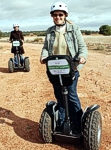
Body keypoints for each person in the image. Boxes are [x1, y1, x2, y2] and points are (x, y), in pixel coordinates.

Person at [40, 1, 88, 134]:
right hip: (55, 70)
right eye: (55, 15)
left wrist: (82, 57)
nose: (58, 17)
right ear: (52, 16)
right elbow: (45, 48)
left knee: (71, 96)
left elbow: (82, 47)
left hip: (71, 68)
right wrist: (43, 56)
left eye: (60, 14)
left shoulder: (74, 29)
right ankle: (61, 123)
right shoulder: (50, 31)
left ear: (65, 15)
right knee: (59, 97)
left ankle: (77, 124)